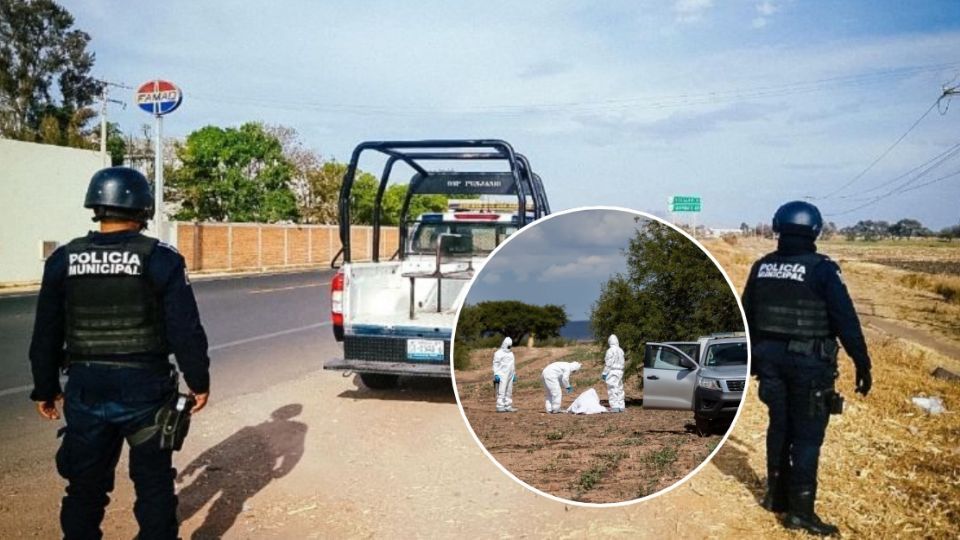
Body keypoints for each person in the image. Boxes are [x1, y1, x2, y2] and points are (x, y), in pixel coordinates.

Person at [29, 167, 211, 540]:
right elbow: (185, 329)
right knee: (154, 486)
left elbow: (46, 331)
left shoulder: (64, 259)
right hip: (146, 391)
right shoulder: (161, 258)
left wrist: (44, 387)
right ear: (142, 209)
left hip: (85, 387)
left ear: (96, 206)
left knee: (84, 488)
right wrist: (198, 381)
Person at [742, 200, 872, 537]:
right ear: (816, 230)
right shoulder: (822, 269)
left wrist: (753, 360)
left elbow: (747, 318)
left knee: (779, 429)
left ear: (777, 227)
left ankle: (775, 497)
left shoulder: (761, 267)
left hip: (770, 365)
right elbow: (846, 320)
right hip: (810, 367)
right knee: (808, 439)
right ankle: (800, 514)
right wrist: (862, 362)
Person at [601, 334, 626, 412]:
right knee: (620, 389)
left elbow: (609, 363)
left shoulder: (610, 350)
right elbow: (623, 362)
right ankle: (621, 406)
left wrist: (604, 373)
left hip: (612, 371)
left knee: (612, 389)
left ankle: (615, 407)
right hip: (620, 371)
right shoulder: (621, 350)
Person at [492, 337, 517, 412]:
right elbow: (495, 364)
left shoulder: (511, 354)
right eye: (508, 345)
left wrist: (514, 374)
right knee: (501, 390)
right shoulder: (498, 353)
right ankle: (500, 406)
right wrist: (496, 374)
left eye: (510, 346)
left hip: (510, 374)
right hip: (502, 374)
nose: (509, 347)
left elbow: (512, 365)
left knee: (509, 390)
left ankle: (508, 405)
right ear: (504, 344)